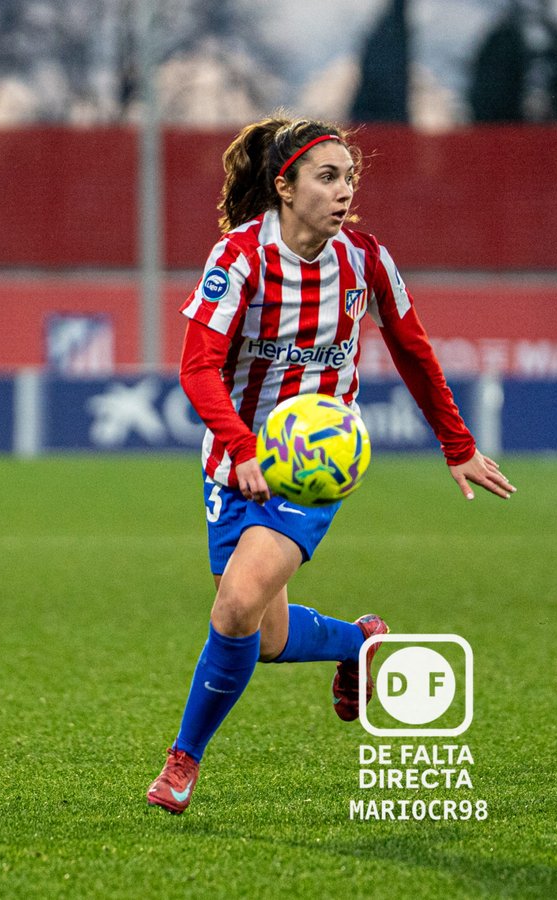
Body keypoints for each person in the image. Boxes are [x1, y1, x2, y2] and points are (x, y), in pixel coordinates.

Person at [145, 115, 515, 815]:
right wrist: (241, 447)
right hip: (234, 463)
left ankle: (182, 761)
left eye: (350, 178)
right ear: (284, 187)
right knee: (269, 635)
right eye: (328, 177)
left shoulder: (367, 260)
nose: (344, 192)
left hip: (318, 465)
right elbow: (198, 369)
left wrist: (458, 445)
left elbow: (413, 349)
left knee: (233, 608)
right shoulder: (240, 259)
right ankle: (360, 646)